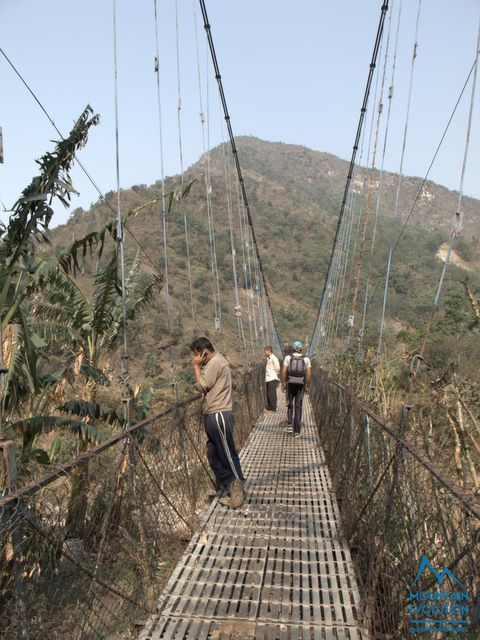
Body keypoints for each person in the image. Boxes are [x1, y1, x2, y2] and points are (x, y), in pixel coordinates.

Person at [190, 337, 245, 509]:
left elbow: (201, 386)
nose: (196, 358)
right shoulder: (215, 362)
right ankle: (230, 484)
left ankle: (239, 488)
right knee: (213, 456)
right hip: (213, 414)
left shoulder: (214, 363)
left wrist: (196, 367)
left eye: (198, 355)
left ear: (205, 352)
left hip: (218, 414)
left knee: (227, 453)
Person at [281, 341, 311, 438]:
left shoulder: (288, 358)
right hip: (301, 384)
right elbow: (308, 374)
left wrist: (283, 383)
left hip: (290, 383)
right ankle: (297, 430)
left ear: (292, 348)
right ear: (301, 348)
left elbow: (284, 371)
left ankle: (289, 425)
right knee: (298, 406)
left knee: (290, 404)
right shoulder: (306, 359)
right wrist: (307, 386)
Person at [263, 346, 280, 412]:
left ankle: (273, 407)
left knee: (272, 393)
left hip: (272, 378)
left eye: (265, 351)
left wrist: (276, 375)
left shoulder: (274, 358)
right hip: (268, 378)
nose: (264, 353)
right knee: (269, 393)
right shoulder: (268, 358)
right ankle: (270, 406)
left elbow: (277, 368)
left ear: (268, 351)